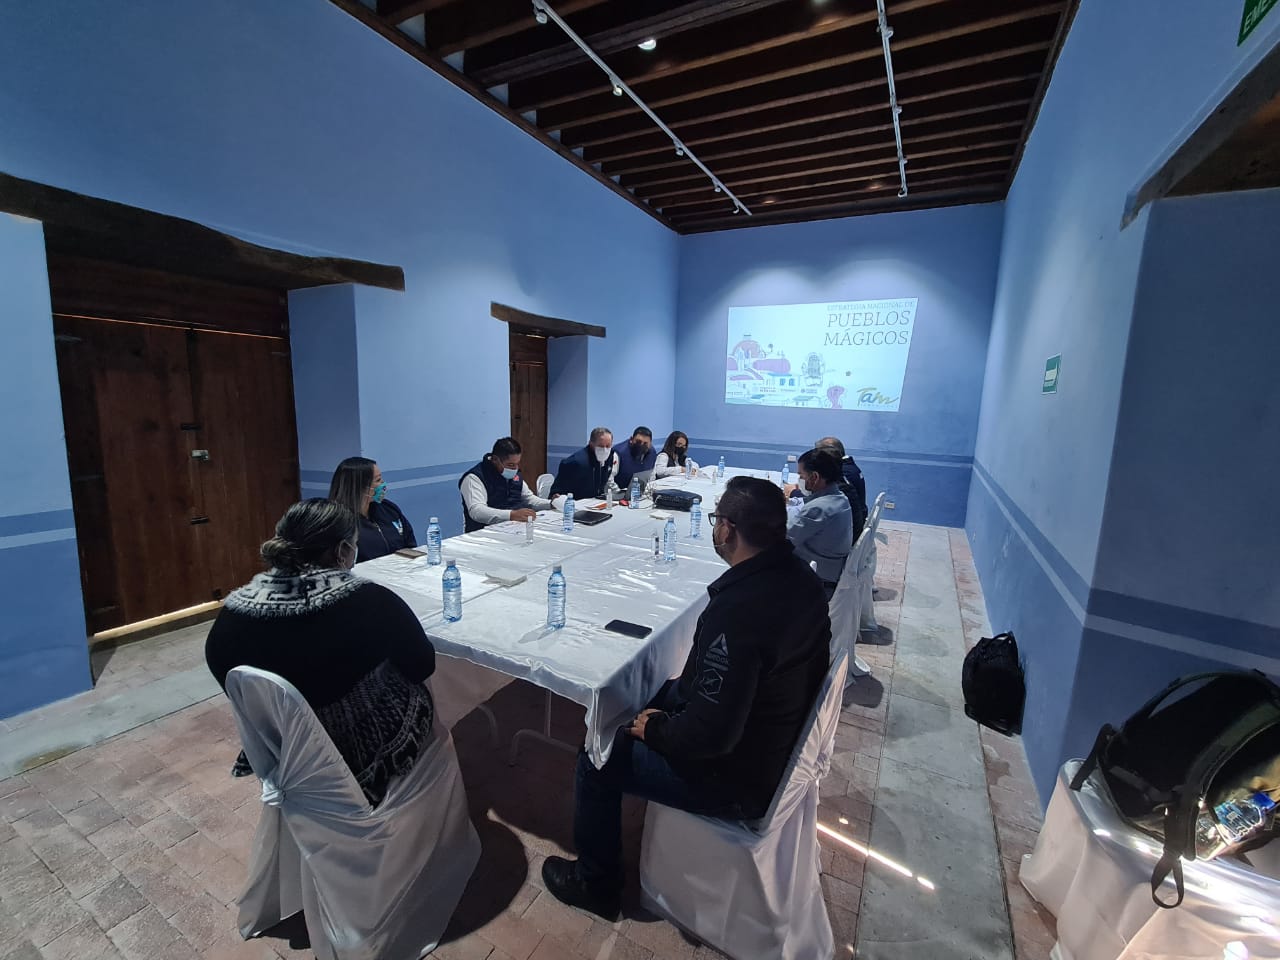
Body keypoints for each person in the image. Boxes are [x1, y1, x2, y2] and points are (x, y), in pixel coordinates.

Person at [541, 476, 831, 920]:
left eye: (717, 520)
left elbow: (711, 736)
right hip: (771, 737)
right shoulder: (801, 579)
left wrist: (658, 728)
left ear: (727, 530)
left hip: (738, 778)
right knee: (643, 698)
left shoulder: (740, 609)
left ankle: (595, 883)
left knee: (597, 755)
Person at [205, 499, 437, 807]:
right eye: (355, 544)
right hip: (357, 759)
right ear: (343, 551)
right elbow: (422, 664)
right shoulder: (369, 600)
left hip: (281, 751)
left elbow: (224, 669)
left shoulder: (234, 609)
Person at [785, 448, 853, 599]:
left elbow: (783, 540)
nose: (799, 480)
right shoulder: (840, 498)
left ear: (814, 477)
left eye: (801, 476)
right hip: (831, 571)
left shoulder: (819, 508)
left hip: (816, 581)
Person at [328, 456, 416, 563]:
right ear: (360, 486)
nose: (383, 484)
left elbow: (410, 545)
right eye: (378, 480)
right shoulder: (338, 523)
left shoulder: (389, 509)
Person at [458, 437, 553, 533]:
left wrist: (551, 504)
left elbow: (529, 499)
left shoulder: (514, 475)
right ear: (495, 460)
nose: (515, 468)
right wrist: (511, 515)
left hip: (515, 529)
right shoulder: (474, 478)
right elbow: (477, 511)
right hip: (484, 533)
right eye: (511, 465)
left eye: (517, 464)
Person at [816, 435, 868, 536]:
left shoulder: (844, 473)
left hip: (849, 529)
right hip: (857, 518)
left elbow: (828, 500)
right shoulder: (851, 467)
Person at [550, 427, 618, 500]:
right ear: (591, 443)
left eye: (608, 446)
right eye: (600, 446)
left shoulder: (610, 456)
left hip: (597, 501)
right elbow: (556, 493)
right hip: (575, 503)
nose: (605, 450)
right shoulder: (575, 462)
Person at [612, 426, 657, 491]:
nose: (641, 445)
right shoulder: (618, 453)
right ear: (631, 439)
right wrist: (619, 493)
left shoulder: (652, 453)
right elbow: (609, 478)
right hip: (619, 492)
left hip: (640, 491)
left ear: (650, 444)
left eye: (645, 443)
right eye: (638, 442)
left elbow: (651, 474)